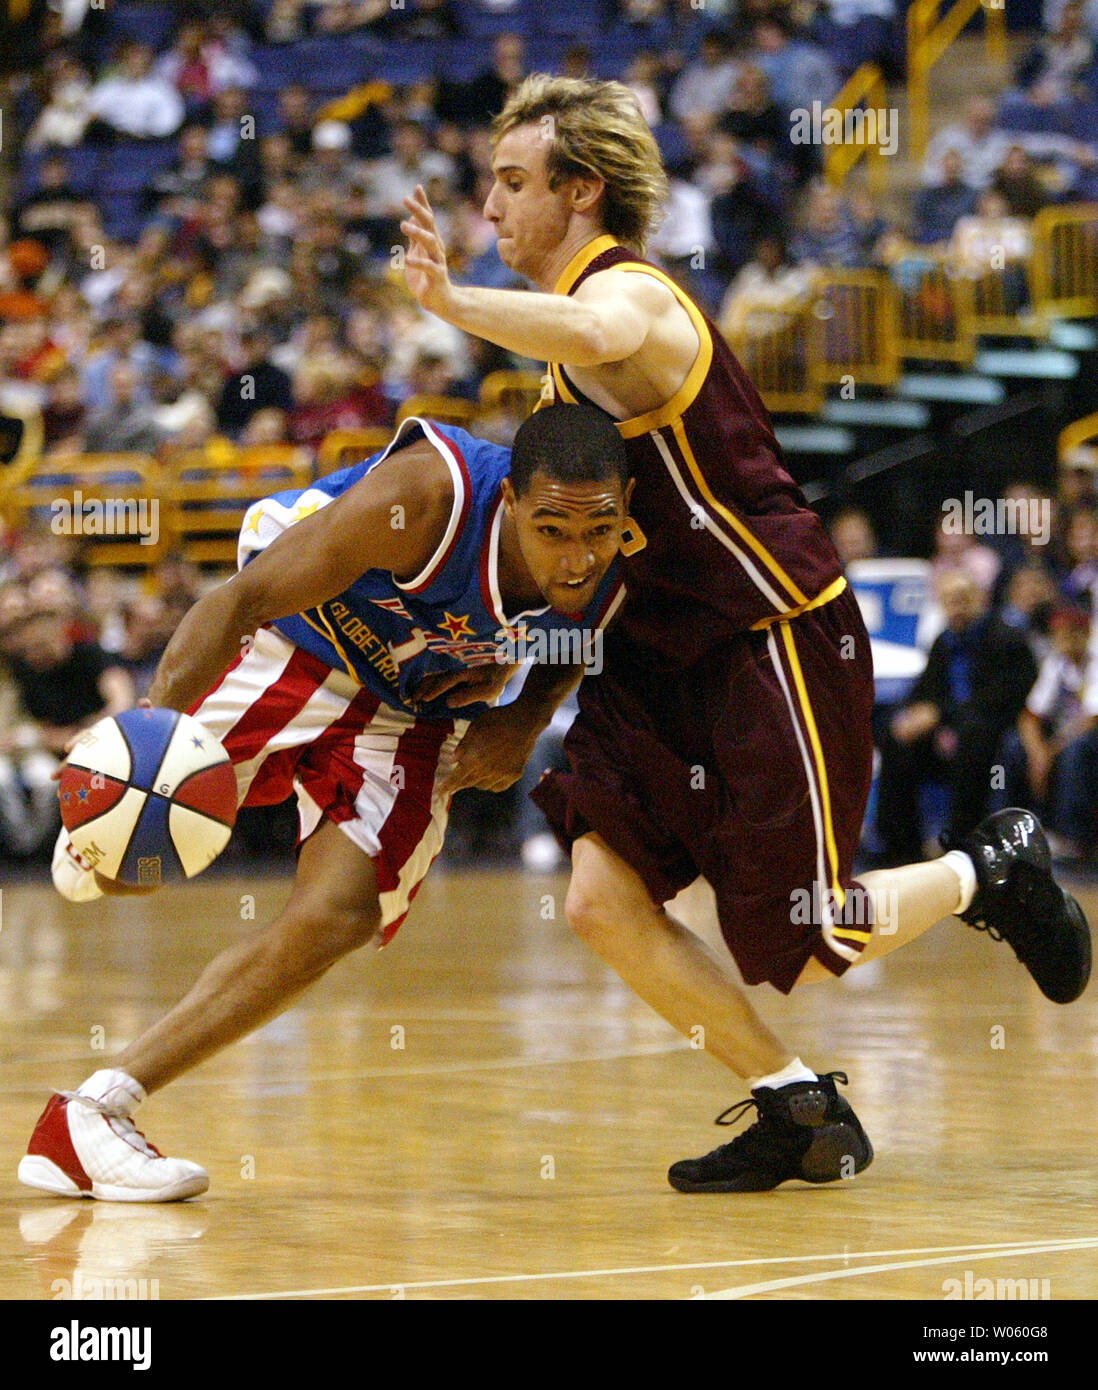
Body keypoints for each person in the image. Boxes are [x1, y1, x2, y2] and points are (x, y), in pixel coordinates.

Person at [400, 72, 1092, 1194]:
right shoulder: (558, 373)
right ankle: (799, 1109)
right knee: (597, 897)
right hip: (653, 660)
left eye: (513, 182)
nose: (489, 209)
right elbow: (590, 570)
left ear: (582, 192)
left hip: (767, 638)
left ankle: (990, 871)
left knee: (804, 944)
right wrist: (522, 711)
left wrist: (453, 302)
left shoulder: (634, 301)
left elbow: (593, 323)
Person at [19, 405, 630, 1201]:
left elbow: (579, 627)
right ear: (510, 499)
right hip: (295, 635)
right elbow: (239, 601)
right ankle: (103, 825)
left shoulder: (616, 551)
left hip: (409, 703)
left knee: (344, 914)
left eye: (600, 532)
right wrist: (146, 746)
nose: (579, 556)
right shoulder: (425, 497)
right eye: (554, 531)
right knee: (117, 871)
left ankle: (94, 1116)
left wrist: (524, 715)